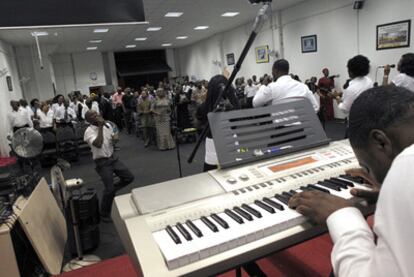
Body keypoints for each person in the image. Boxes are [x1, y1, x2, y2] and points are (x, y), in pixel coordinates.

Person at [288, 85, 414, 277]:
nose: (370, 176)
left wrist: (343, 216)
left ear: (381, 142)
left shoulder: (406, 165)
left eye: (367, 168)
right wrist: (392, 196)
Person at [84, 110, 134, 222]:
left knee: (129, 178)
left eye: (96, 113)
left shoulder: (108, 125)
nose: (96, 115)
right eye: (92, 115)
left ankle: (110, 190)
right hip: (102, 162)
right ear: (88, 120)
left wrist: (115, 139)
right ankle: (104, 213)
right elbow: (98, 144)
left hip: (113, 158)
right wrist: (100, 127)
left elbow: (113, 139)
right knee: (109, 189)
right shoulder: (88, 131)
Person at [197, 75, 240, 171]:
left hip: (213, 144)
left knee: (212, 176)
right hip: (230, 141)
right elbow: (235, 124)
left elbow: (199, 127)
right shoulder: (234, 104)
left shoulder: (203, 107)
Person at [253, 59, 320, 112]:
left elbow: (255, 103)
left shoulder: (272, 87)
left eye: (272, 71)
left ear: (276, 71)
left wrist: (263, 85)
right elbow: (315, 107)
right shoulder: (303, 86)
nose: (272, 74)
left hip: (282, 128)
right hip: (301, 127)